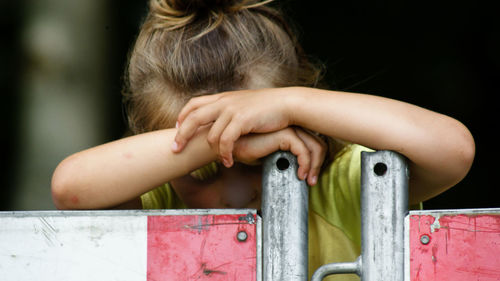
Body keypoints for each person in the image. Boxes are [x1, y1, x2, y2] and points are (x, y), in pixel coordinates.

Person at [51, 0, 475, 280]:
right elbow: (70, 189)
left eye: (260, 160)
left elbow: (452, 150)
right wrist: (224, 142)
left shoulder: (342, 186)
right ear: (155, 148)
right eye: (201, 169)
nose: (232, 191)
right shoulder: (159, 199)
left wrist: (291, 103)